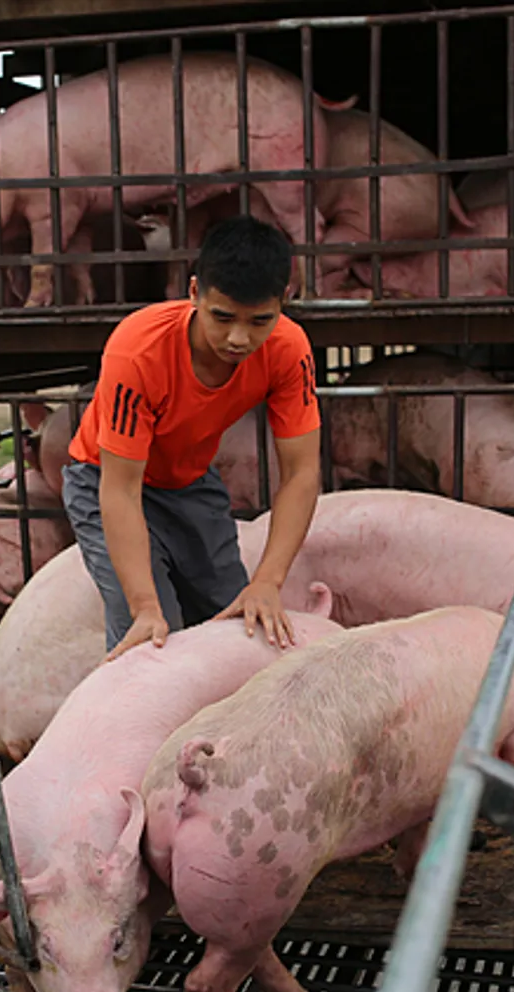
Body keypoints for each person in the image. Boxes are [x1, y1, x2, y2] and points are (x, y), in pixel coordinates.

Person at [62, 215, 322, 662]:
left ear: (285, 300)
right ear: (193, 292)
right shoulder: (137, 349)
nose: (238, 338)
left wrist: (268, 581)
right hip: (105, 478)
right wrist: (144, 606)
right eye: (221, 317)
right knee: (149, 639)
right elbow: (121, 489)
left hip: (189, 482)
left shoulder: (289, 349)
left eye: (260, 321)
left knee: (235, 616)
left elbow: (301, 472)